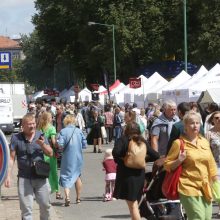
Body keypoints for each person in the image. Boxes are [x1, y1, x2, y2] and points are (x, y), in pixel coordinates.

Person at [164, 111, 218, 219]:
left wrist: (215, 179)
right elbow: (167, 165)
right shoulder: (178, 143)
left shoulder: (204, 141)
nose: (195, 126)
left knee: (207, 218)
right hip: (188, 186)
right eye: (192, 123)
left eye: (198, 123)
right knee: (197, 217)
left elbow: (211, 162)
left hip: (205, 186)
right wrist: (179, 160)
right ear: (186, 126)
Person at [4, 113, 53, 220]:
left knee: (45, 205)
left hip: (41, 177)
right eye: (29, 124)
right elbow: (12, 158)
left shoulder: (41, 135)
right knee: (26, 209)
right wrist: (7, 176)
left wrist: (42, 144)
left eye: (34, 123)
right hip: (24, 178)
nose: (32, 126)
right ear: (23, 125)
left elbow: (50, 153)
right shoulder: (16, 138)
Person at [112, 121, 160, 220]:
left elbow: (115, 152)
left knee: (133, 205)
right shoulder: (142, 141)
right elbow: (156, 155)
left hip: (126, 176)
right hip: (140, 177)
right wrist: (142, 159)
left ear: (126, 130)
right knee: (135, 204)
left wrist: (125, 159)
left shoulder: (123, 140)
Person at [57, 114, 87, 206]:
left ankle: (67, 197)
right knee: (77, 176)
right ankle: (78, 198)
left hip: (67, 157)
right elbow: (84, 145)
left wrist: (58, 146)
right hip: (77, 157)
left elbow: (61, 145)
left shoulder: (63, 131)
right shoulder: (79, 131)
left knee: (66, 176)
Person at [37, 111, 62, 199]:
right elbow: (54, 142)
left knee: (43, 173)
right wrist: (58, 146)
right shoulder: (51, 128)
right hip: (50, 153)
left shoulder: (39, 128)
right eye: (51, 117)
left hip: (41, 153)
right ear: (48, 118)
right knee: (53, 172)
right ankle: (57, 191)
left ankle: (44, 191)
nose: (52, 118)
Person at [206, 111, 220, 216]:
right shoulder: (209, 133)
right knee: (218, 188)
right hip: (215, 164)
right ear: (212, 120)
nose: (219, 119)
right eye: (216, 118)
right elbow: (206, 150)